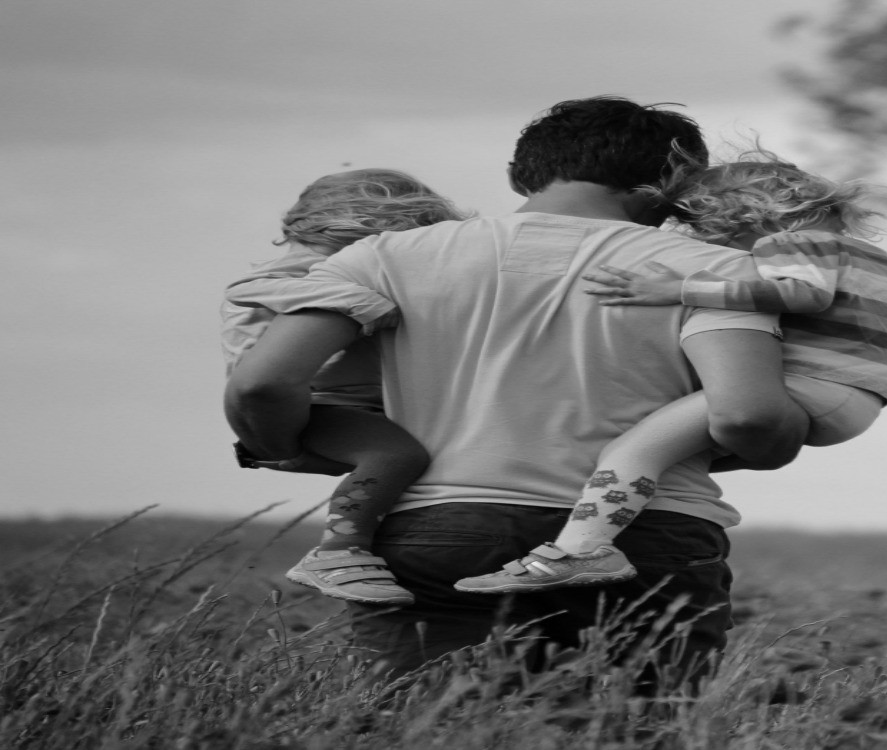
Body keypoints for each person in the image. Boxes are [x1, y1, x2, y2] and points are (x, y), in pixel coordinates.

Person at [222, 97, 808, 686]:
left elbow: (263, 383)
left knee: (433, 721)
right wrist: (782, 439)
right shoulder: (716, 273)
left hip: (438, 532)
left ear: (517, 175)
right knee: (635, 722)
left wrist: (285, 448)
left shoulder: (382, 256)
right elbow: (749, 417)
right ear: (672, 186)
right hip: (646, 536)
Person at [455, 153, 887, 594]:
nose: (722, 248)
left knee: (633, 450)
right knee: (667, 460)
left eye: (719, 236)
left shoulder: (794, 241)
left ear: (747, 217)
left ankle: (581, 551)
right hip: (860, 404)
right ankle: (599, 523)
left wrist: (679, 289)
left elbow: (804, 294)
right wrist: (862, 368)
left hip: (806, 389)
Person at [222, 169, 468, 606]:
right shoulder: (296, 271)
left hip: (343, 403)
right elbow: (253, 290)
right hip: (319, 405)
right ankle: (339, 551)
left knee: (407, 456)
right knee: (396, 456)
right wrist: (365, 303)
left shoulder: (329, 269)